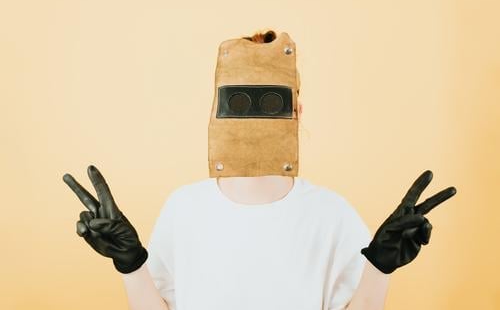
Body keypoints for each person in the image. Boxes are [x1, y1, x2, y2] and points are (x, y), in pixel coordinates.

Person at [63, 30, 456, 310]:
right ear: (216, 111)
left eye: (270, 101)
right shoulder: (184, 209)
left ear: (296, 110)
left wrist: (379, 270)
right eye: (238, 100)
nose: (253, 115)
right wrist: (131, 265)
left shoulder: (332, 216)